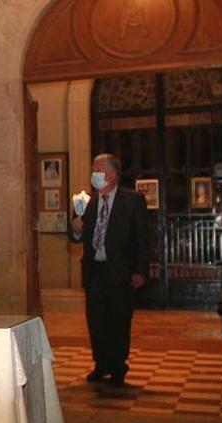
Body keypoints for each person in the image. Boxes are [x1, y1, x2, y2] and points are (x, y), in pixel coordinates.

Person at [69, 153, 149, 387]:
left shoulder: (132, 200)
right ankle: (100, 363)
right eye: (93, 168)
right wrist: (75, 229)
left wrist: (141, 271)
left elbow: (143, 239)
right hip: (95, 272)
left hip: (121, 271)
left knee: (118, 320)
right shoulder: (87, 202)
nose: (94, 173)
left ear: (112, 174)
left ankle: (117, 366)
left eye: (99, 169)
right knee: (96, 320)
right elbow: (76, 238)